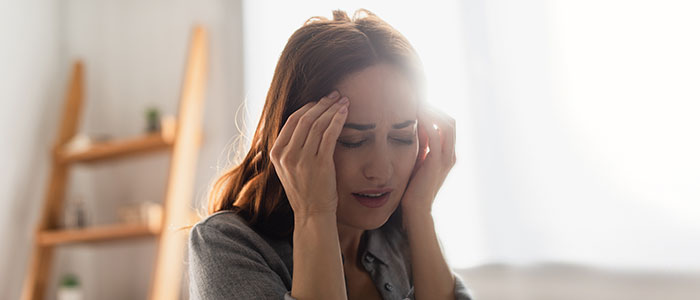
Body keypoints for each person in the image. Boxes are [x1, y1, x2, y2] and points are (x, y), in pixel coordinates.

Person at [188, 9, 472, 300]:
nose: (381, 172)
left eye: (402, 137)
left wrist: (420, 212)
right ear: (295, 139)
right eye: (352, 140)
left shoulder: (404, 235)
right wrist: (315, 213)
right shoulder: (226, 245)